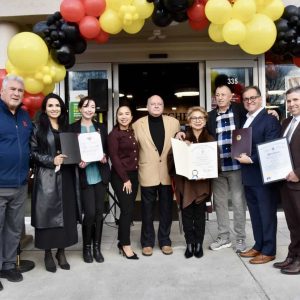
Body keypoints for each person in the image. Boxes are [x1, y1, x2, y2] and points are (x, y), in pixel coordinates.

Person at [176, 84, 247, 253]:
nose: (220, 97)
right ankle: (224, 237)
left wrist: (275, 113)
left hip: (237, 165)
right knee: (220, 203)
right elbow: (196, 129)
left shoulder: (240, 111)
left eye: (224, 94)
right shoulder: (211, 115)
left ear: (231, 97)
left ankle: (240, 238)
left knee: (238, 203)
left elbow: (256, 117)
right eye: (217, 95)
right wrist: (182, 133)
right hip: (216, 168)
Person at [31, 93, 81, 272]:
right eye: (50, 105)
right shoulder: (37, 127)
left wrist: (79, 158)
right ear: (45, 108)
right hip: (47, 177)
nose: (54, 108)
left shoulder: (67, 127)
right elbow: (33, 153)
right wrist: (51, 160)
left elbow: (74, 149)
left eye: (57, 105)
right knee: (47, 216)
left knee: (66, 215)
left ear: (62, 108)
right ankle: (47, 253)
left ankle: (61, 252)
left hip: (67, 176)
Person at [236, 86, 281, 264]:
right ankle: (259, 245)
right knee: (255, 213)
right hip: (249, 176)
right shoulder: (246, 119)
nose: (249, 101)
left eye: (253, 97)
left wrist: (252, 159)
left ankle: (269, 250)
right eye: (246, 99)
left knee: (266, 213)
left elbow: (273, 148)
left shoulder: (269, 120)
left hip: (263, 176)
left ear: (261, 99)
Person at [132, 95, 180, 256]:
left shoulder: (174, 123)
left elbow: (178, 145)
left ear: (163, 106)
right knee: (147, 210)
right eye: (153, 103)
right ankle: (147, 242)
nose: (156, 106)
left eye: (159, 103)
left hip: (167, 172)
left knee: (166, 209)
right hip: (147, 172)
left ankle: (165, 241)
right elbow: (133, 149)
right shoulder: (137, 125)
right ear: (147, 106)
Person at [168, 106, 214, 258]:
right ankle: (189, 243)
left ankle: (198, 243)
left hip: (202, 183)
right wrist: (181, 148)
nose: (198, 121)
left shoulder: (210, 139)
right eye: (194, 118)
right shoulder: (182, 137)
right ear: (188, 120)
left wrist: (207, 173)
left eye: (201, 118)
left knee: (200, 215)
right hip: (186, 184)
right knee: (187, 214)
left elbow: (216, 162)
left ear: (205, 120)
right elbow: (171, 159)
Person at [0, 75, 32, 290]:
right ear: (2, 91)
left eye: (20, 90)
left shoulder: (24, 116)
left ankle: (8, 265)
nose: (16, 93)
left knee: (13, 229)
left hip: (20, 184)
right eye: (12, 89)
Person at [70, 96, 110, 263]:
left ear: (95, 109)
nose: (89, 109)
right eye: (85, 106)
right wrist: (78, 161)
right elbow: (70, 153)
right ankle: (86, 248)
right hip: (84, 176)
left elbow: (106, 150)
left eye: (92, 106)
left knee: (99, 214)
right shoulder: (72, 128)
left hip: (99, 175)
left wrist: (104, 157)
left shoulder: (100, 127)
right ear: (80, 109)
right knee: (90, 213)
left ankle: (97, 248)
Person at [273, 86, 300, 274]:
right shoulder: (286, 122)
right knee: (292, 223)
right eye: (289, 101)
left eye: (296, 100)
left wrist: (299, 172)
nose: (292, 104)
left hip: (298, 180)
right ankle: (293, 255)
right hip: (286, 182)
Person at [108, 104, 139, 259]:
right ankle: (126, 245)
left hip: (134, 176)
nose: (124, 116)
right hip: (121, 177)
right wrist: (126, 179)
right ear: (117, 116)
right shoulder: (114, 134)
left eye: (127, 113)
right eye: (121, 114)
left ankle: (122, 241)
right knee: (126, 211)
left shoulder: (132, 132)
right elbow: (114, 158)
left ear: (131, 117)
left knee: (128, 210)